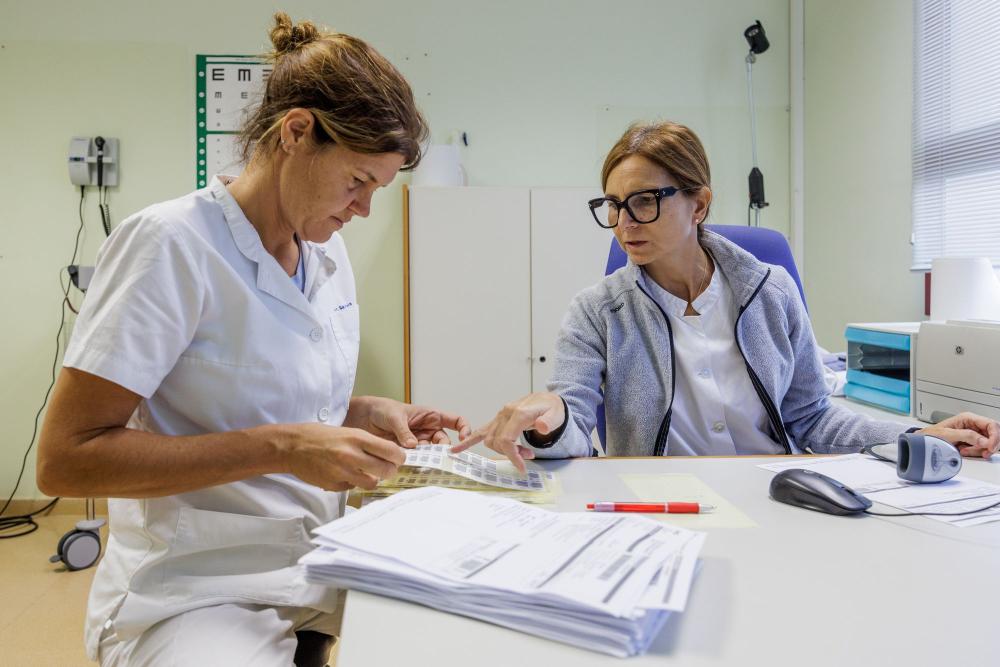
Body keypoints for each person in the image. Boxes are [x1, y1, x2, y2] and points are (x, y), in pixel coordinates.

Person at [36, 13, 469, 666]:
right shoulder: (172, 245)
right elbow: (65, 460)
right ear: (296, 132)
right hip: (195, 586)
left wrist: (363, 413)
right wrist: (283, 447)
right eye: (357, 181)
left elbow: (257, 397)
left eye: (377, 189)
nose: (364, 208)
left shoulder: (325, 254)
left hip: (318, 558)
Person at [454, 120, 998, 471]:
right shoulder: (596, 312)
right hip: (661, 504)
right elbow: (573, 428)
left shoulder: (772, 291)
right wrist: (552, 416)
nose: (624, 222)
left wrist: (917, 433)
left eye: (644, 201)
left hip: (777, 492)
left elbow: (814, 418)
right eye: (614, 205)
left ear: (699, 204)